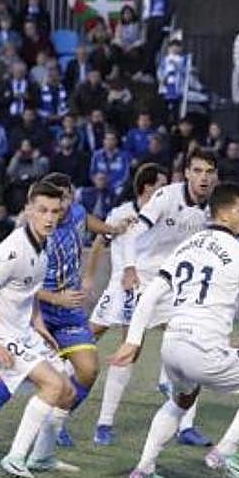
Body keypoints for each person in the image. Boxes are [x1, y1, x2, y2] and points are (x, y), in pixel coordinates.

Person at [110, 183, 239, 478]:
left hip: (172, 346)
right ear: (222, 213)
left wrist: (133, 340)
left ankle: (143, 468)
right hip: (204, 349)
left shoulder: (188, 245)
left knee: (182, 400)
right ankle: (224, 451)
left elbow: (151, 293)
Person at [0, 173, 125, 447]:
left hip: (53, 315)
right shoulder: (24, 240)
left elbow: (96, 230)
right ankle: (3, 442)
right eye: (46, 208)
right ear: (31, 209)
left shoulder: (61, 226)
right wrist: (53, 302)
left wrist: (116, 229)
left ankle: (52, 426)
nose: (54, 213)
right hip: (23, 317)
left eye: (60, 204)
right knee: (30, 372)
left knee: (83, 372)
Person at [100, 149, 221, 445]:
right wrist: (129, 268)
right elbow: (131, 233)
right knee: (131, 346)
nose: (203, 177)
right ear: (187, 174)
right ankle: (104, 422)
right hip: (143, 277)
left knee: (192, 345)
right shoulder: (166, 197)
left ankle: (186, 427)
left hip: (177, 283)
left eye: (209, 171)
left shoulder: (213, 208)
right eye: (198, 170)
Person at [0, 179, 78, 478]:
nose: (50, 217)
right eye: (42, 210)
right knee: (52, 386)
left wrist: (40, 327)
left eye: (55, 211)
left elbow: (29, 294)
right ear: (28, 211)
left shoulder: (44, 245)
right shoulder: (13, 250)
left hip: (21, 330)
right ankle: (14, 458)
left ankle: (42, 457)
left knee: (67, 389)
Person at [86, 165, 169, 444]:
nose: (167, 190)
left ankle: (104, 423)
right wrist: (88, 276)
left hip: (147, 291)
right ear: (147, 187)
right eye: (162, 184)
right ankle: (54, 390)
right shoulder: (122, 213)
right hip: (118, 288)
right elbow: (100, 241)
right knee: (85, 341)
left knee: (132, 349)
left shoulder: (165, 213)